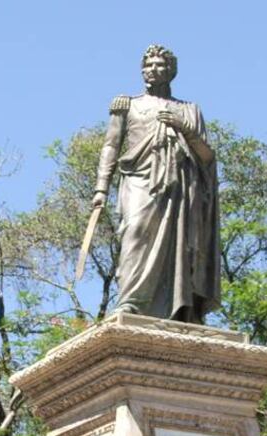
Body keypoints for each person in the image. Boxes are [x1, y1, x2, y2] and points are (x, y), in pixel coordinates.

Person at [92, 44, 220, 324]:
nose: (152, 70)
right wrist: (101, 187)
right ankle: (131, 302)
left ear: (172, 71)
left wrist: (182, 126)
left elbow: (207, 156)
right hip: (140, 179)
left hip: (181, 188)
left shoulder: (189, 110)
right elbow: (110, 146)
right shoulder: (128, 105)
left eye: (159, 65)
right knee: (135, 233)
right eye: (148, 65)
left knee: (182, 246)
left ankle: (180, 310)